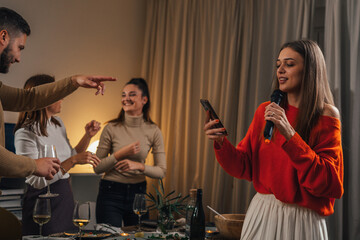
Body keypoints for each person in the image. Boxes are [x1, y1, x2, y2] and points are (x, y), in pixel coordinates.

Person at [203, 39, 343, 240]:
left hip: (302, 221)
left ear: (310, 70)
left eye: (289, 64)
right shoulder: (265, 111)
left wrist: (290, 134)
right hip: (263, 213)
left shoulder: (326, 115)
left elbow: (328, 182)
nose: (281, 70)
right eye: (278, 65)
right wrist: (221, 143)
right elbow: (244, 167)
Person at [0, 7, 115, 180]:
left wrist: (74, 81)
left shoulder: (58, 124)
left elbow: (27, 98)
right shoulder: (26, 132)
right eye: (20, 47)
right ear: (3, 37)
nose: (18, 58)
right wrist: (34, 165)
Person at [14, 74, 102, 235]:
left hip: (64, 197)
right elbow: (37, 181)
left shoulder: (58, 123)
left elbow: (71, 155)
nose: (62, 98)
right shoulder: (24, 134)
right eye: (58, 94)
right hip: (42, 204)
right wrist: (73, 160)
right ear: (45, 97)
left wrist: (88, 136)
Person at [94, 78, 166, 227]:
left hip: (138, 194)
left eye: (132, 94)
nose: (126, 99)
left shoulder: (153, 130)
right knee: (109, 237)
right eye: (123, 95)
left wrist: (138, 166)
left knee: (139, 236)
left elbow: (161, 172)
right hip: (110, 194)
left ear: (144, 99)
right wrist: (120, 154)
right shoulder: (111, 128)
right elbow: (97, 167)